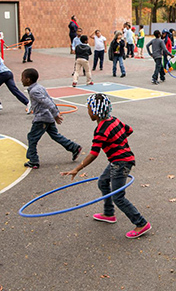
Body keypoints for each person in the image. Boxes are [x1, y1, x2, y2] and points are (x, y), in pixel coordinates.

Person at [60, 93, 151, 239]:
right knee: (103, 182)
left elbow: (93, 154)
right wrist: (117, 142)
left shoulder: (101, 130)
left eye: (89, 108)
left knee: (118, 197)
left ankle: (141, 223)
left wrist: (77, 169)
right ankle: (109, 213)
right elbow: (129, 130)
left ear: (95, 111)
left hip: (120, 163)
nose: (88, 111)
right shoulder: (114, 120)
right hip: (120, 160)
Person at [21, 68, 82, 169]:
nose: (21, 80)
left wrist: (56, 114)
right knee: (55, 135)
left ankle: (33, 160)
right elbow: (48, 99)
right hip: (47, 116)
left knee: (32, 137)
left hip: (42, 118)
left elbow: (47, 102)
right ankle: (74, 147)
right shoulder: (39, 87)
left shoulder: (34, 91)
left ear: (28, 80)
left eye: (22, 78)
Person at [0, 42, 29, 112]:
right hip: (8, 73)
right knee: (14, 90)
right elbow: (1, 61)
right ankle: (27, 102)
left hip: (3, 74)